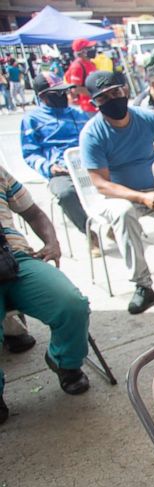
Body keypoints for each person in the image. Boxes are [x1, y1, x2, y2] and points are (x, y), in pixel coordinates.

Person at [79, 71, 154, 314]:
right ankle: (142, 285)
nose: (113, 99)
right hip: (117, 197)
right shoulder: (92, 134)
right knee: (124, 214)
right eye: (104, 97)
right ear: (95, 103)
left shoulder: (146, 119)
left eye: (116, 92)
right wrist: (139, 197)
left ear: (125, 90)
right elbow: (101, 184)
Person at [0, 165, 91, 424]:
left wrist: (52, 243)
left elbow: (34, 213)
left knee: (72, 304)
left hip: (15, 256)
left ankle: (64, 360)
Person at [20, 74, 97, 253]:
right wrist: (48, 167)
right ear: (43, 97)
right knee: (66, 193)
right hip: (60, 170)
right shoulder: (32, 120)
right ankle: (90, 233)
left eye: (64, 91)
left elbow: (93, 138)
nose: (63, 95)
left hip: (88, 165)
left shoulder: (78, 114)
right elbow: (30, 153)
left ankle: (111, 224)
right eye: (57, 93)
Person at [65, 39, 98, 115]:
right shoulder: (77, 66)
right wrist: (95, 92)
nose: (93, 49)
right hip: (87, 107)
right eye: (89, 48)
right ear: (82, 51)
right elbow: (75, 89)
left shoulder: (91, 63)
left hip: (96, 104)